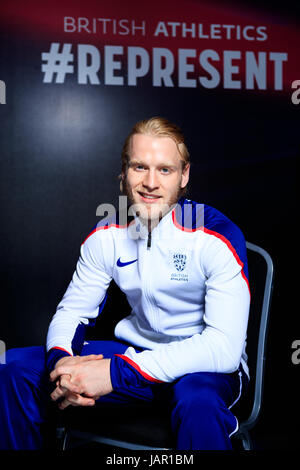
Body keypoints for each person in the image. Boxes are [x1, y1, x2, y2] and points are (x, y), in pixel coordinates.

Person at [0, 117, 250, 450]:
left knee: (197, 403)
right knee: (13, 367)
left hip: (200, 367)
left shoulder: (216, 236)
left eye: (165, 170)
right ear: (123, 173)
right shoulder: (106, 237)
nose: (150, 182)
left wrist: (116, 374)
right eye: (139, 167)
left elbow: (223, 348)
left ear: (184, 175)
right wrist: (62, 365)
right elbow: (72, 312)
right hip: (136, 353)